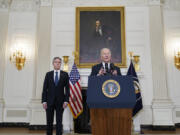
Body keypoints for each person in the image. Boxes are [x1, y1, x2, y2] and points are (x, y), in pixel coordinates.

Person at [42, 57, 70, 135]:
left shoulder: (65, 74)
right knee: (49, 121)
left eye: (59, 62)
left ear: (60, 64)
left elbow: (67, 89)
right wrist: (44, 101)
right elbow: (44, 89)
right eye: (56, 62)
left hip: (60, 102)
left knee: (59, 121)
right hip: (49, 101)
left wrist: (66, 101)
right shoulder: (48, 74)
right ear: (53, 63)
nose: (57, 64)